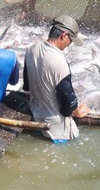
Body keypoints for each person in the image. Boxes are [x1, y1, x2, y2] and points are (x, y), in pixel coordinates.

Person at [23, 15, 90, 143]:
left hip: (35, 119)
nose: (70, 44)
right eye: (71, 40)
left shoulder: (31, 48)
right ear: (64, 35)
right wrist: (78, 110)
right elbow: (68, 107)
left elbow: (27, 86)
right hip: (57, 132)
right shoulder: (60, 63)